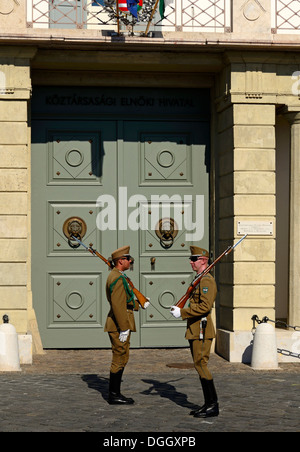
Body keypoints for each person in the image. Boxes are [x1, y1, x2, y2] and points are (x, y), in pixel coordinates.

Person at [170, 245, 219, 418]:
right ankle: (208, 403)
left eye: (194, 259)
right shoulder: (199, 279)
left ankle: (212, 405)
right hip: (196, 328)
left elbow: (205, 306)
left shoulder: (206, 281)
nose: (191, 262)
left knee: (201, 365)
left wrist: (182, 312)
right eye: (191, 259)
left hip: (202, 329)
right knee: (199, 365)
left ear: (203, 261)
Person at [104, 245, 139, 405]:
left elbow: (125, 298)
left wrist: (138, 304)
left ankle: (116, 393)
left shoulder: (119, 275)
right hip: (119, 324)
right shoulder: (117, 278)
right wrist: (124, 327)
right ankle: (114, 394)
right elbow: (118, 305)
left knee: (123, 356)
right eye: (127, 258)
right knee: (119, 357)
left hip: (121, 322)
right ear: (120, 261)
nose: (130, 261)